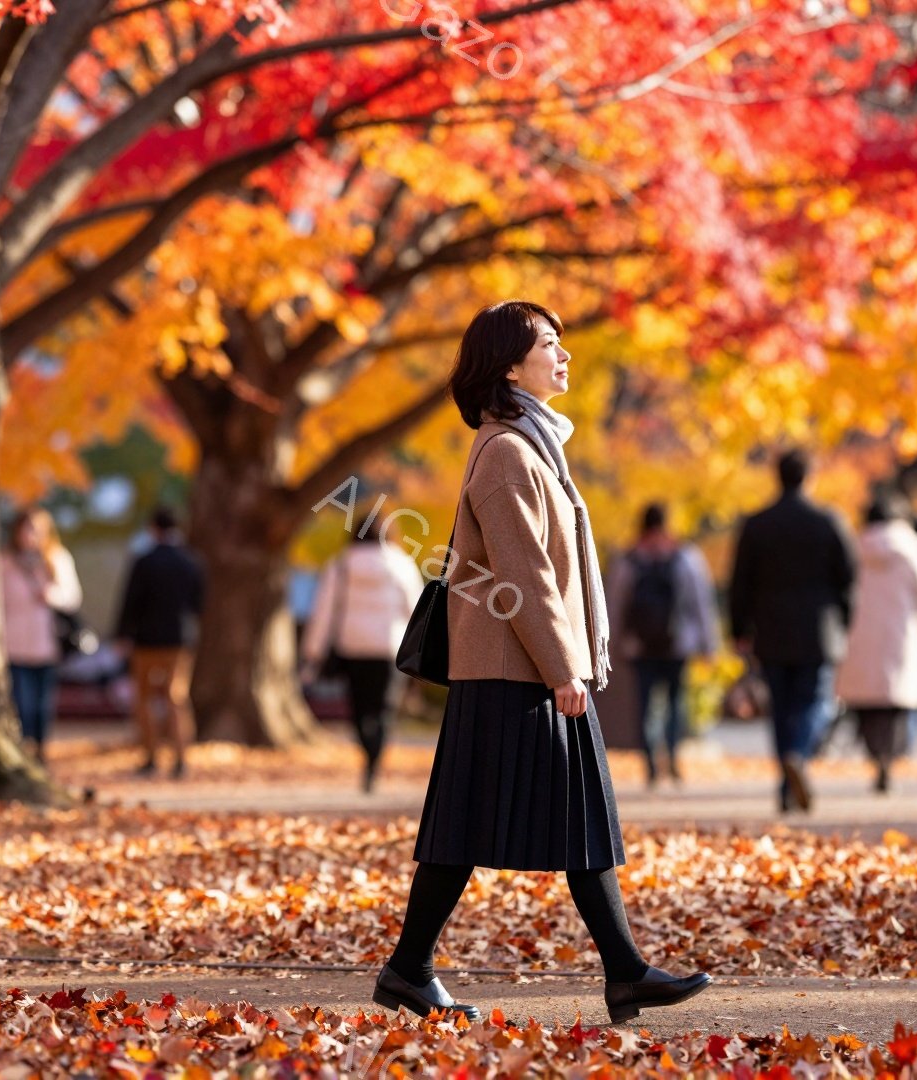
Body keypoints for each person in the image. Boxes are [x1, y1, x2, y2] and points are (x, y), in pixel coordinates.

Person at [375, 300, 710, 1027]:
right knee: (503, 826)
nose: (564, 357)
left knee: (551, 822)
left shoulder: (531, 447)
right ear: (509, 366)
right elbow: (524, 578)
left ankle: (615, 971)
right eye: (549, 345)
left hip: (522, 669)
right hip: (518, 671)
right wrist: (566, 668)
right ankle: (417, 969)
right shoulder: (507, 455)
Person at [727, 449, 857, 814]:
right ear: (809, 477)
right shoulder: (829, 521)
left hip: (771, 629)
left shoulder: (757, 524)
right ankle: (797, 755)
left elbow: (741, 582)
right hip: (819, 629)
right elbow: (848, 579)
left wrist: (739, 628)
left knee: (781, 707)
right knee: (814, 701)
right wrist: (844, 620)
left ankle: (786, 784)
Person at [834, 493, 917, 794]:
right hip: (903, 635)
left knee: (868, 704)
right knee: (896, 705)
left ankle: (876, 756)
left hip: (861, 636)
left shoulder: (853, 547)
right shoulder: (912, 549)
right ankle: (890, 758)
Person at [301, 520, 423, 792]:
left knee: (358, 707)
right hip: (388, 648)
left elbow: (324, 611)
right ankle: (375, 757)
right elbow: (415, 609)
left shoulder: (341, 565)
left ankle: (366, 748)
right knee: (383, 707)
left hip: (352, 646)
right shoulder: (400, 564)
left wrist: (313, 650)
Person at [607, 503, 721, 788]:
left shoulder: (629, 561)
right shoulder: (685, 557)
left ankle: (650, 765)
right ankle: (671, 758)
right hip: (677, 644)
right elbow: (701, 603)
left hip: (639, 647)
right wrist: (709, 644)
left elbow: (614, 605)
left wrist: (609, 645)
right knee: (675, 703)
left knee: (645, 705)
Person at [114, 506, 205, 778]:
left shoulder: (144, 561)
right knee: (176, 697)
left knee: (144, 698)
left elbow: (130, 602)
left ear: (153, 528)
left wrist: (122, 634)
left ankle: (150, 756)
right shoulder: (190, 562)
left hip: (146, 640)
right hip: (179, 640)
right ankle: (181, 757)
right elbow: (198, 605)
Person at [0, 507, 83, 761]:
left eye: (36, 529)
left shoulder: (56, 559)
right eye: (26, 528)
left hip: (47, 643)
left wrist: (51, 596)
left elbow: (72, 597)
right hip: (14, 644)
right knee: (22, 703)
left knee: (42, 704)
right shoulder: (4, 562)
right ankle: (25, 747)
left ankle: (41, 748)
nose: (30, 535)